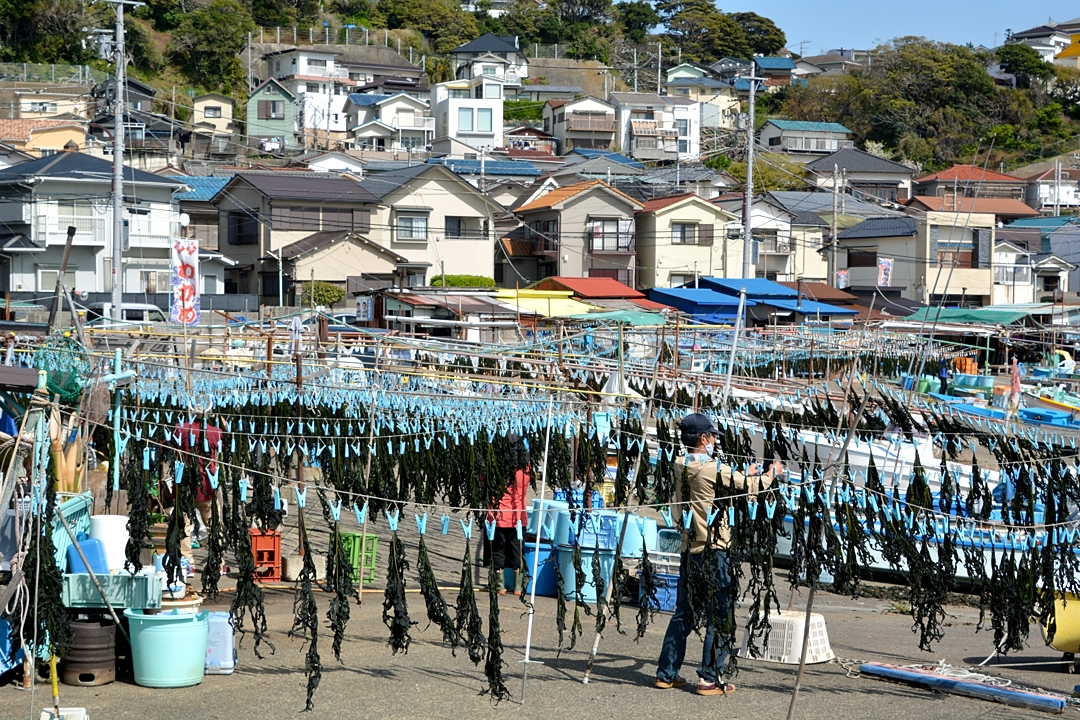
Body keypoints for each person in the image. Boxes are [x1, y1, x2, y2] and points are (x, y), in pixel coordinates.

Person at [654, 412, 782, 696]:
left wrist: (743, 477)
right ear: (703, 439)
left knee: (683, 613)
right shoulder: (712, 468)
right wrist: (771, 474)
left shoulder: (678, 464)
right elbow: (750, 486)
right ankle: (709, 678)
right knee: (719, 615)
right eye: (712, 436)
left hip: (689, 549)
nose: (714, 441)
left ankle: (666, 673)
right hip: (715, 552)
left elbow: (723, 486)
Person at [486, 434, 529, 595]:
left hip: (497, 517)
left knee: (498, 550)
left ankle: (500, 586)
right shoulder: (525, 471)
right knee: (517, 550)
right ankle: (518, 587)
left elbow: (484, 479)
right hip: (518, 517)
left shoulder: (496, 469)